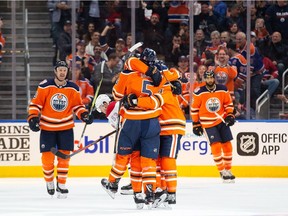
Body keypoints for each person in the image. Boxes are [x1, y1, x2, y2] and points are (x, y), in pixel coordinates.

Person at [27, 61, 93, 198]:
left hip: (66, 127)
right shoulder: (45, 86)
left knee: (64, 158)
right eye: (60, 70)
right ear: (55, 71)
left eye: (64, 70)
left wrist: (84, 115)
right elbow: (35, 104)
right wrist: (33, 118)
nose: (62, 72)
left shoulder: (73, 88)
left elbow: (78, 107)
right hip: (47, 128)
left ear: (66, 72)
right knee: (47, 159)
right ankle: (50, 181)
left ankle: (61, 184)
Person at [191, 70, 236, 183]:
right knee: (216, 146)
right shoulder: (199, 92)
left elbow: (228, 104)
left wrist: (230, 115)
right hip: (207, 123)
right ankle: (221, 171)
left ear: (214, 78)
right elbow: (194, 109)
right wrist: (196, 123)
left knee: (227, 146)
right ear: (204, 79)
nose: (210, 80)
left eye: (211, 78)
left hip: (221, 120)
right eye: (207, 78)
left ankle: (228, 170)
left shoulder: (223, 89)